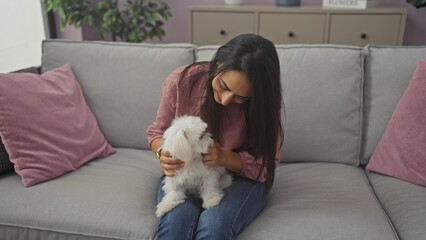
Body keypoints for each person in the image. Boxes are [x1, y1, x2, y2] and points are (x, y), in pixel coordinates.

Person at [147, 33, 283, 240]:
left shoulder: (263, 106)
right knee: (175, 226)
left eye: (241, 97)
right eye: (224, 86)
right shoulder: (182, 81)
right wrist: (162, 152)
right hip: (187, 173)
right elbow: (158, 132)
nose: (227, 100)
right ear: (219, 62)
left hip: (241, 178)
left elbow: (267, 163)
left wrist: (223, 157)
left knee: (213, 227)